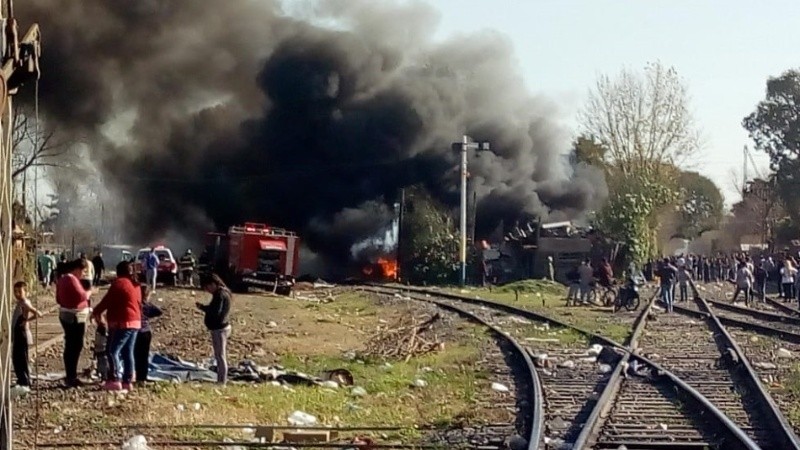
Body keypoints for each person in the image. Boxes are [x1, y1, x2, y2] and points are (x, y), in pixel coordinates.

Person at [93, 261, 142, 391]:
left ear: (118, 272)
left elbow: (107, 301)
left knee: (112, 350)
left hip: (123, 322)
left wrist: (96, 312)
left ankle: (115, 379)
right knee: (128, 352)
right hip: (135, 322)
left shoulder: (119, 283)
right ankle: (128, 381)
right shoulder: (135, 284)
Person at [56, 259, 92, 388]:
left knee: (71, 344)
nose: (83, 274)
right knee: (75, 345)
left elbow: (58, 298)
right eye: (83, 271)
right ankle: (71, 375)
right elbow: (80, 296)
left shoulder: (62, 279)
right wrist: (89, 293)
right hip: (74, 316)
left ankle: (71, 374)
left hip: (67, 314)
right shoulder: (71, 279)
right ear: (77, 269)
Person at [196, 274, 232, 385]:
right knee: (219, 355)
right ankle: (221, 380)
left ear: (213, 284)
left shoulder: (220, 295)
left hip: (219, 329)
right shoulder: (222, 293)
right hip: (219, 328)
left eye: (208, 288)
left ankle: (222, 382)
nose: (208, 291)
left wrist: (204, 308)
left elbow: (216, 311)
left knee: (220, 356)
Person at [12, 281, 42, 387]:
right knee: (17, 358)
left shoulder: (25, 302)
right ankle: (22, 379)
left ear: (26, 292)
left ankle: (25, 380)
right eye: (15, 292)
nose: (17, 294)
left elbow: (38, 313)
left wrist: (27, 320)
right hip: (18, 333)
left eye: (20, 291)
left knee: (21, 358)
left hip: (22, 333)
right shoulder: (20, 302)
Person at [134, 285, 163, 385]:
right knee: (144, 356)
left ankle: (136, 376)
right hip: (145, 332)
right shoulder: (146, 306)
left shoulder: (135, 304)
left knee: (135, 355)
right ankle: (142, 378)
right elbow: (159, 311)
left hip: (135, 332)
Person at [92, 317, 109, 381]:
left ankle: (104, 376)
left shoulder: (103, 328)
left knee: (103, 360)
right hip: (100, 350)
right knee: (101, 360)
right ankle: (103, 375)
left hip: (102, 350)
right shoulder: (101, 328)